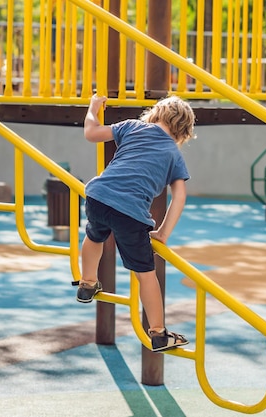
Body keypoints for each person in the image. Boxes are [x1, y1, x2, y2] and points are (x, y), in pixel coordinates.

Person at [76, 93, 196, 353]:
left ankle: (87, 283)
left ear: (156, 114)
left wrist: (93, 107)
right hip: (131, 213)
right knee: (146, 274)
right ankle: (158, 333)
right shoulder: (173, 155)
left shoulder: (132, 126)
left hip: (98, 196)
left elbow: (91, 133)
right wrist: (162, 232)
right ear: (183, 130)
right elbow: (180, 197)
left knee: (94, 236)